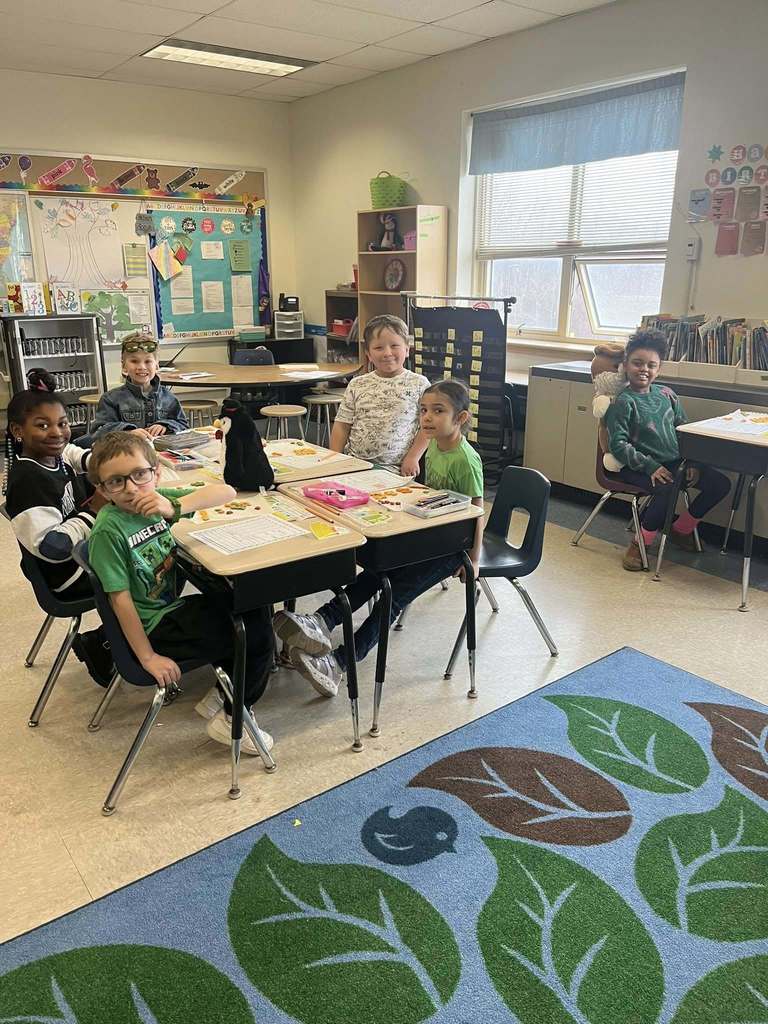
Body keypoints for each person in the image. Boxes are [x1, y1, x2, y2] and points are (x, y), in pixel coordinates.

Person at [273, 379, 484, 696]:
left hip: (452, 550)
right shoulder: (436, 446)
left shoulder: (465, 460)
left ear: (461, 418)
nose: (427, 417)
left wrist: (474, 559)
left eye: (438, 411)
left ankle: (341, 661)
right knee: (376, 571)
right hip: (429, 534)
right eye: (424, 410)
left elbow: (476, 513)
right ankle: (322, 620)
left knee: (393, 595)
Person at [86, 432, 274, 753]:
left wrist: (174, 506)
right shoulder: (109, 530)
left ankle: (225, 689)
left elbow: (226, 491)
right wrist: (148, 657)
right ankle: (232, 716)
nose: (132, 488)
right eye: (116, 482)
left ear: (156, 473)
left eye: (140, 475)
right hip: (156, 626)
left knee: (255, 602)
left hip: (170, 609)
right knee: (255, 635)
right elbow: (120, 600)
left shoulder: (157, 499)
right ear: (102, 490)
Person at [3, 389, 113, 686]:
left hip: (80, 554)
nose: (57, 433)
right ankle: (107, 646)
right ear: (17, 431)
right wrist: (92, 515)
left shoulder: (51, 455)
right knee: (157, 563)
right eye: (42, 425)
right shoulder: (28, 481)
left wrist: (105, 465)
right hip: (68, 573)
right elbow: (52, 547)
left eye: (62, 423)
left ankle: (116, 638)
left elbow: (74, 453)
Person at [606, 328, 731, 572]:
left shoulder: (667, 394)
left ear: (659, 368)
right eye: (637, 363)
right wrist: (650, 466)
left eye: (651, 365)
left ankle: (681, 529)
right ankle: (639, 543)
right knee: (667, 490)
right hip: (639, 467)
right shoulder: (623, 402)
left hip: (676, 462)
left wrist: (692, 462)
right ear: (626, 364)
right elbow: (618, 445)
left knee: (720, 484)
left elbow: (684, 430)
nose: (644, 369)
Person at [330, 314, 429, 476]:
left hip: (397, 469)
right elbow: (342, 424)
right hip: (354, 464)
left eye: (394, 345)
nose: (387, 353)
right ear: (368, 353)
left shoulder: (419, 384)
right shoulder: (357, 384)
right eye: (378, 348)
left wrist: (413, 457)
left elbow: (427, 428)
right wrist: (334, 458)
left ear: (407, 349)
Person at [90, 332, 188, 441]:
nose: (141, 367)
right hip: (126, 454)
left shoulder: (169, 398)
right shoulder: (110, 399)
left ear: (156, 365)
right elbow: (98, 431)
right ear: (124, 366)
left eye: (148, 361)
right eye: (134, 361)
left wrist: (165, 425)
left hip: (160, 454)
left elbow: (183, 425)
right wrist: (128, 432)